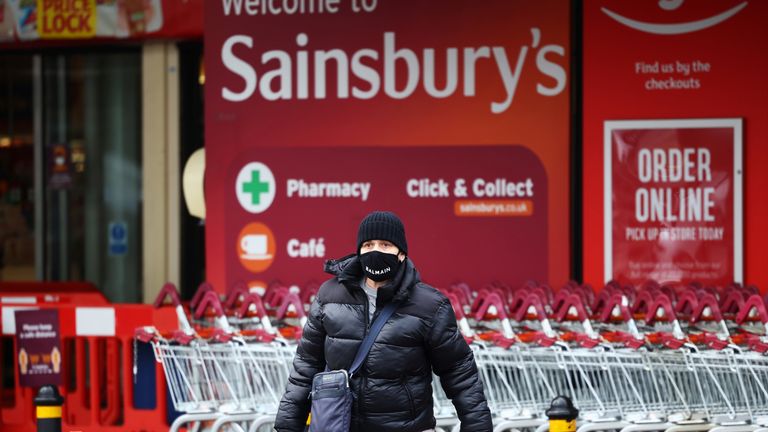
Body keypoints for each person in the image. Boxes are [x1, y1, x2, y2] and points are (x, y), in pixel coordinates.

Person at [275, 211, 492, 432]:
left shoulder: (430, 306)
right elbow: (305, 368)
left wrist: (478, 426)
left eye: (385, 245)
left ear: (401, 253)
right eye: (368, 245)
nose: (376, 250)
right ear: (359, 250)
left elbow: (459, 372)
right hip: (338, 425)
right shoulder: (329, 295)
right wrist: (286, 427)